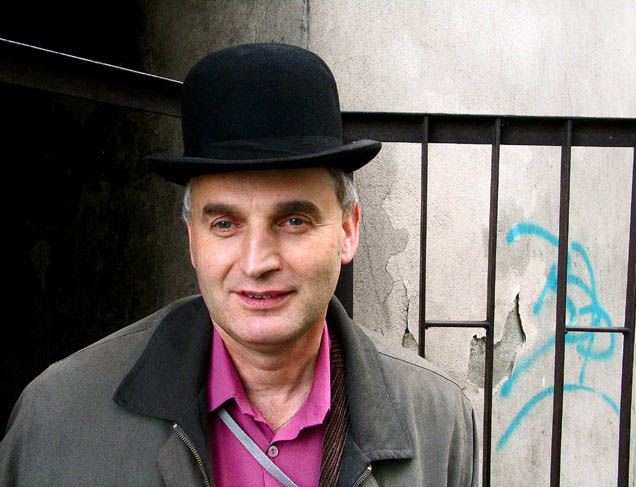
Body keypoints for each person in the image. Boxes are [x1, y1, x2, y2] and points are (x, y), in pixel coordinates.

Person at [1, 43, 477, 486]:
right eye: (225, 224)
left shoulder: (437, 422)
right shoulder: (58, 417)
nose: (256, 262)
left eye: (293, 220)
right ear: (192, 238)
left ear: (348, 230)